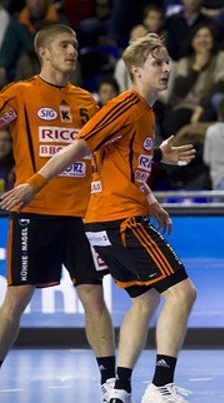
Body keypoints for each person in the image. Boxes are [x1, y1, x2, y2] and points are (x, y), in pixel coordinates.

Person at [0, 33, 198, 403]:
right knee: (182, 292)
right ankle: (160, 386)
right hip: (107, 216)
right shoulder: (123, 105)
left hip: (91, 217)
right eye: (157, 63)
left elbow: (118, 157)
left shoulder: (121, 108)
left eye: (167, 62)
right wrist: (33, 184)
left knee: (135, 298)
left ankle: (118, 385)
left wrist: (154, 179)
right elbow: (79, 147)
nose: (166, 69)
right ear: (135, 71)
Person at [0, 24, 116, 401]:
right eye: (64, 45)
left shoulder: (86, 101)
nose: (72, 51)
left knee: (93, 296)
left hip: (82, 214)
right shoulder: (19, 94)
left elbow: (105, 152)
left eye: (75, 45)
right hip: (35, 211)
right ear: (44, 53)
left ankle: (111, 382)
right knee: (17, 297)